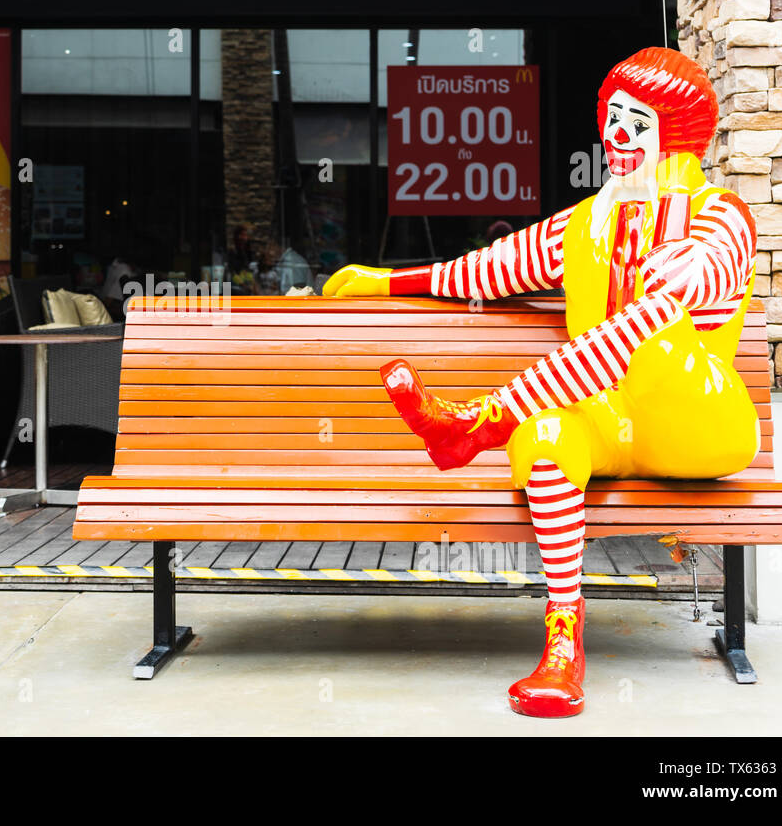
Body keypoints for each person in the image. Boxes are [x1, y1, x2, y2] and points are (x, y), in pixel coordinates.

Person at [324, 48, 757, 718]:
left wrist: (680, 265)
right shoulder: (586, 225)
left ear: (674, 135)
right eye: (611, 117)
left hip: (698, 423)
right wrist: (384, 280)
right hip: (614, 423)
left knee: (656, 323)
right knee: (545, 435)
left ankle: (477, 421)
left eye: (638, 122)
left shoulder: (718, 212)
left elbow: (714, 265)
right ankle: (562, 643)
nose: (617, 135)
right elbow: (488, 270)